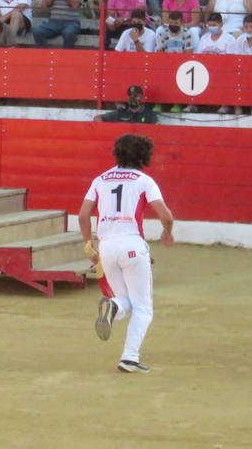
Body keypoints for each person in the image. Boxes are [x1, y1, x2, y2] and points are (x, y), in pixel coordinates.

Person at [81, 133, 175, 374]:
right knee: (143, 307)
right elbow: (166, 216)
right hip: (132, 245)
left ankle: (113, 306)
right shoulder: (144, 180)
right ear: (144, 156)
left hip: (107, 247)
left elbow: (83, 214)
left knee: (127, 302)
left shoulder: (100, 179)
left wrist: (87, 243)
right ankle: (129, 357)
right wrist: (167, 232)